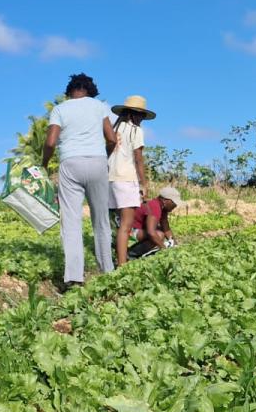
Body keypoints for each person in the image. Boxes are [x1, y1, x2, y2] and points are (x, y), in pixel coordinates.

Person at [41, 73, 117, 287]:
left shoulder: (60, 109)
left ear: (70, 91)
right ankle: (107, 272)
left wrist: (45, 164)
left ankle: (74, 277)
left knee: (71, 222)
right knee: (101, 220)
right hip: (97, 162)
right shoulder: (99, 107)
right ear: (90, 91)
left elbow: (50, 142)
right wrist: (103, 156)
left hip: (70, 163)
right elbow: (112, 139)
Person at [107, 95, 155, 266]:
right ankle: (122, 264)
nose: (142, 119)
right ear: (135, 114)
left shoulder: (115, 129)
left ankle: (115, 258)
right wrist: (143, 183)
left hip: (111, 179)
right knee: (126, 226)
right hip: (127, 179)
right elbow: (138, 159)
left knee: (118, 224)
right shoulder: (136, 131)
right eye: (141, 116)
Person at [127, 186, 183, 259]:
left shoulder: (163, 208)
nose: (175, 205)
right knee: (159, 235)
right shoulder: (154, 206)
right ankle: (130, 254)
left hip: (139, 230)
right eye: (173, 202)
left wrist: (175, 246)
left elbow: (165, 228)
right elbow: (151, 232)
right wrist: (165, 250)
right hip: (130, 231)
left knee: (160, 231)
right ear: (165, 200)